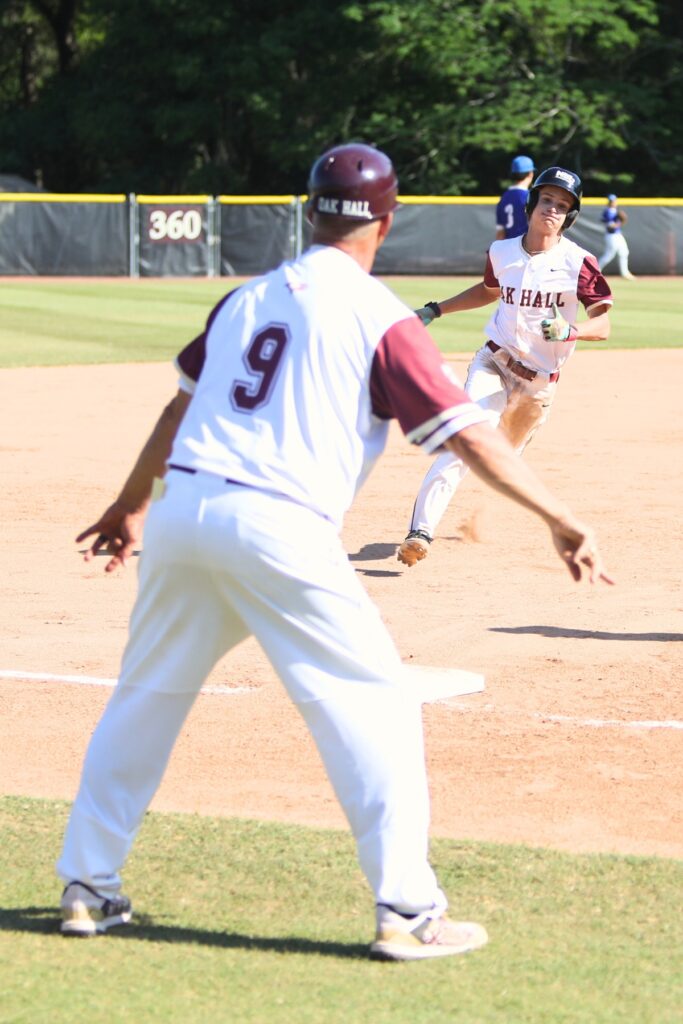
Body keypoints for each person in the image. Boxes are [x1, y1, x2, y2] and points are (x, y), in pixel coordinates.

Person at [56, 145, 612, 963]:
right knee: (375, 705)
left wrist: (127, 503)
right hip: (279, 527)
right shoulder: (377, 315)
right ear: (384, 223)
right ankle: (409, 911)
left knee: (143, 700)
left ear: (309, 211)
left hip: (183, 514)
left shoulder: (245, 298)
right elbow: (466, 432)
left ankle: (87, 887)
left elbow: (178, 409)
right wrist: (559, 516)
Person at [399, 165, 614, 567]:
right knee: (463, 444)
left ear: (570, 216)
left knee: (502, 465)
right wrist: (436, 309)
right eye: (546, 199)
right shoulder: (501, 252)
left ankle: (476, 520)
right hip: (493, 363)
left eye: (562, 205)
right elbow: (488, 290)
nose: (552, 208)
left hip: (538, 386)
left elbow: (603, 323)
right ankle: (420, 533)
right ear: (532, 204)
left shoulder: (578, 262)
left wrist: (571, 330)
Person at [495, 154, 536, 240]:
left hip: (508, 247)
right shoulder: (531, 197)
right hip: (526, 248)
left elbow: (500, 233)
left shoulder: (504, 197)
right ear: (530, 174)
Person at [598, 194, 635, 279]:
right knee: (609, 255)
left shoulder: (614, 211)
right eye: (611, 201)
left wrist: (620, 222)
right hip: (612, 236)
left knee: (624, 252)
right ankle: (596, 271)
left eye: (614, 201)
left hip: (617, 235)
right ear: (609, 202)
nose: (613, 202)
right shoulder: (608, 211)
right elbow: (611, 226)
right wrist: (621, 222)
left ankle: (625, 273)